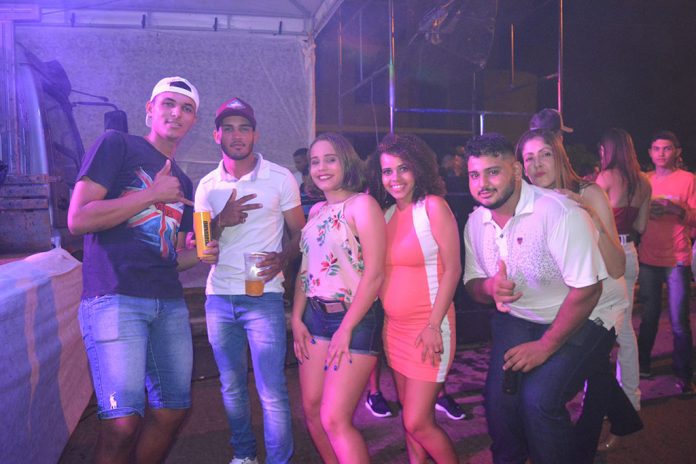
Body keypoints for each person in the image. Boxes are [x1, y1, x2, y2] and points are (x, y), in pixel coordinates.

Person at [67, 76, 219, 463]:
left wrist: (203, 254)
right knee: (122, 423)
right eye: (168, 103)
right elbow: (78, 219)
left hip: (167, 303)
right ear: (150, 109)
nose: (177, 113)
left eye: (187, 108)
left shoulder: (183, 181)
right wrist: (151, 194)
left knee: (172, 410)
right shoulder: (116, 145)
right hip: (114, 297)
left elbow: (171, 257)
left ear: (194, 120)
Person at [463, 133, 615, 464]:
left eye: (493, 172)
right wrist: (489, 288)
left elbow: (589, 290)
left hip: (582, 318)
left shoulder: (559, 213)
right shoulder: (476, 221)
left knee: (538, 402)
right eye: (474, 175)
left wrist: (546, 346)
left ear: (516, 171)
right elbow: (471, 283)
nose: (482, 184)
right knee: (499, 406)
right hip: (518, 318)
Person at [516, 128, 642, 461]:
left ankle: (580, 451)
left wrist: (591, 215)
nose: (537, 164)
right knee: (596, 367)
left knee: (569, 381)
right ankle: (623, 421)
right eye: (528, 158)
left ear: (559, 155)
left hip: (603, 301)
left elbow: (616, 266)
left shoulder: (588, 192)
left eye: (544, 154)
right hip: (569, 301)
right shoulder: (529, 202)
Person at [194, 97, 305, 464]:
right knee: (231, 388)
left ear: (255, 134)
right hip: (219, 297)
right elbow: (202, 246)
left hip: (263, 295)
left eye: (244, 128)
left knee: (271, 390)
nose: (237, 135)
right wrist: (220, 221)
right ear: (216, 135)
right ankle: (244, 455)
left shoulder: (280, 177)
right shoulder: (207, 185)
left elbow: (299, 233)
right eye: (228, 129)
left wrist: (283, 258)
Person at [291, 133, 385, 463]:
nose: (321, 168)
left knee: (334, 419)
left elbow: (375, 275)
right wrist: (296, 318)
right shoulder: (317, 210)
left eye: (330, 159)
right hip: (314, 317)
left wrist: (346, 328)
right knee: (312, 411)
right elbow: (306, 270)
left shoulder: (363, 205)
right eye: (315, 162)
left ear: (346, 162)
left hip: (355, 319)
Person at [368, 133, 460, 463]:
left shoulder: (432, 207)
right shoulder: (386, 215)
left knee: (417, 422)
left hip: (429, 329)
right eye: (387, 171)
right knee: (410, 419)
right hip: (394, 331)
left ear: (418, 168)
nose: (395, 178)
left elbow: (453, 269)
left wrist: (434, 325)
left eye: (403, 168)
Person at [595, 128, 652, 411]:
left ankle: (596, 397)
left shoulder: (605, 178)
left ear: (608, 150)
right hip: (630, 252)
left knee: (599, 325)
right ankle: (632, 397)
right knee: (626, 328)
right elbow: (641, 226)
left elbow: (593, 222)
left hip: (607, 254)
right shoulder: (644, 181)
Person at [637, 130, 696, 394]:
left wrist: (678, 210)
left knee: (679, 320)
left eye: (667, 148)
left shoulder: (688, 180)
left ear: (677, 152)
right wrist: (647, 211)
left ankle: (683, 373)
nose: (661, 153)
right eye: (657, 148)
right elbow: (633, 217)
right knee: (648, 317)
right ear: (650, 153)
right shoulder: (644, 180)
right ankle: (642, 366)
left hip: (677, 258)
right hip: (648, 257)